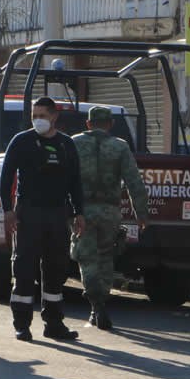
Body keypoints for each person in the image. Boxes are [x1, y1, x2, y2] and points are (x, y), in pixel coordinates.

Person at [1, 96, 85, 342]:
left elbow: (75, 182)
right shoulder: (21, 141)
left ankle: (54, 323)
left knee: (56, 269)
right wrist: (8, 210)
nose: (38, 120)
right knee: (25, 267)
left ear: (54, 117)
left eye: (42, 116)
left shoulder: (67, 144)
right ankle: (22, 324)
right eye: (34, 116)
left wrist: (79, 212)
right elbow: (6, 178)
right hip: (28, 212)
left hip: (58, 214)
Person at [71, 106, 148, 330]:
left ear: (88, 124)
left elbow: (63, 177)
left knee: (87, 258)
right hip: (109, 212)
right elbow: (135, 182)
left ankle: (95, 304)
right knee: (105, 256)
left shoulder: (74, 143)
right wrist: (141, 214)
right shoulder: (120, 147)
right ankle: (101, 301)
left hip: (82, 211)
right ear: (111, 124)